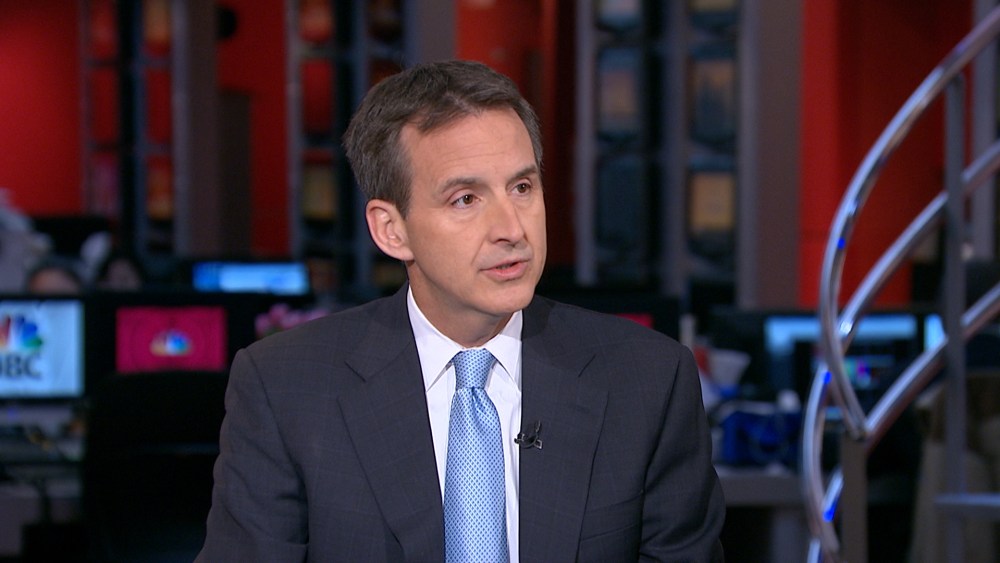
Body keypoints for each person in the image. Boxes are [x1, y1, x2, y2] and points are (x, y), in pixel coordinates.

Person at [198, 60, 725, 561]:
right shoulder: (285, 388)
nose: (511, 229)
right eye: (465, 199)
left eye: (522, 188)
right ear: (391, 230)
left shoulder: (648, 380)